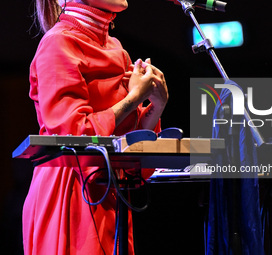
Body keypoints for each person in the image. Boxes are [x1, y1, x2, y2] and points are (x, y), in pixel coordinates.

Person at [23, 0, 168, 254]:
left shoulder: (116, 49)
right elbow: (73, 133)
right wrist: (133, 98)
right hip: (70, 192)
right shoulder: (58, 43)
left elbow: (129, 148)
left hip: (111, 194)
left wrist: (155, 105)